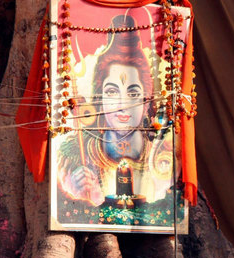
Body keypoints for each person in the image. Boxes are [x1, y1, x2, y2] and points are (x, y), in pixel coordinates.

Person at [57, 14, 175, 211]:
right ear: (100, 100)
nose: (122, 105)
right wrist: (80, 193)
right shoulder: (75, 158)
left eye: (133, 93)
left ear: (147, 102)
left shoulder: (164, 158)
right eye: (112, 92)